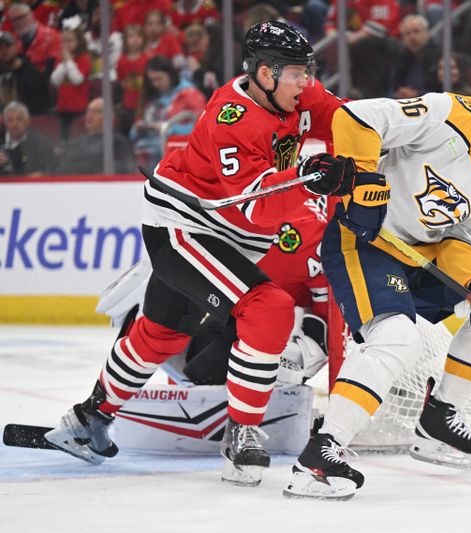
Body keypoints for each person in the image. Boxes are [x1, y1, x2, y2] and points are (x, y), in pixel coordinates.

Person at [44, 21, 352, 488]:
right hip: (186, 228)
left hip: (224, 234)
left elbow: (350, 122)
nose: (306, 82)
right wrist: (309, 178)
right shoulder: (233, 118)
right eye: (295, 72)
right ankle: (242, 433)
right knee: (268, 307)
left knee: (162, 335)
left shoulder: (295, 94)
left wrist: (402, 138)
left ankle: (87, 421)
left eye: (307, 71)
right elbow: (257, 207)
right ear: (265, 74)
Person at [283, 65, 471, 501]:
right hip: (365, 242)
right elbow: (357, 118)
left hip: (422, 261)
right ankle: (321, 454)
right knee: (396, 338)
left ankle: (439, 419)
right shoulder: (445, 112)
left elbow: (466, 240)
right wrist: (364, 179)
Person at [129, 54, 205, 168]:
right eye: (152, 80)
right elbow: (132, 134)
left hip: (178, 154)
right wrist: (138, 128)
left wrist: (168, 129)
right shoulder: (150, 96)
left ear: (170, 74)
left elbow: (201, 128)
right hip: (146, 155)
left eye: (159, 78)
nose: (155, 84)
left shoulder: (190, 93)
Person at [51, 97, 136, 174]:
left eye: (96, 111)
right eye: (88, 111)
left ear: (109, 116)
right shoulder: (76, 142)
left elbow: (126, 167)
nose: (89, 115)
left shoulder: (117, 142)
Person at [50, 25, 91, 140]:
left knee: (77, 138)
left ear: (78, 41)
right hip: (62, 107)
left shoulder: (84, 59)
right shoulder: (60, 58)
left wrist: (68, 61)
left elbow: (77, 80)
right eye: (64, 41)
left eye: (70, 41)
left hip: (79, 108)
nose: (66, 44)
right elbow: (54, 80)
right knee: (64, 138)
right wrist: (64, 63)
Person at [0, 30, 49, 114]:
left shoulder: (31, 73)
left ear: (16, 47)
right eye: (0, 48)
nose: (4, 51)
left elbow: (42, 104)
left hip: (28, 120)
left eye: (8, 46)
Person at [392, 14, 440, 99]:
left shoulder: (439, 57)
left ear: (426, 33)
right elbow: (394, 87)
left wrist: (417, 95)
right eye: (407, 34)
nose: (412, 37)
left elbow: (442, 91)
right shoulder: (400, 57)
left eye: (416, 31)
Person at [0, 100, 52, 176]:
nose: (14, 124)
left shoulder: (42, 143)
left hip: (35, 186)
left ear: (27, 121)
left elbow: (53, 168)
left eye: (19, 119)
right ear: (5, 123)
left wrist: (42, 174)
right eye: (10, 120)